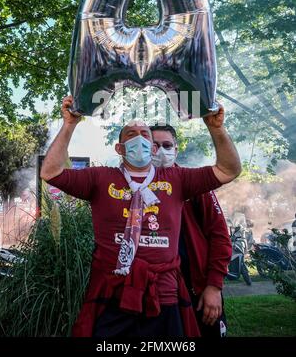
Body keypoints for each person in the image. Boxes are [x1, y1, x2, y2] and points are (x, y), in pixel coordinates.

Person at [40, 95, 241, 338]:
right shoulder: (100, 178)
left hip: (164, 295)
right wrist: (69, 124)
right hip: (112, 295)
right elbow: (50, 172)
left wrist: (216, 128)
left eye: (145, 134)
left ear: (153, 148)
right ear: (119, 148)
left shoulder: (177, 179)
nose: (139, 139)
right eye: (130, 134)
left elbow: (229, 169)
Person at [150, 124, 232, 337]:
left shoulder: (194, 184)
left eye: (167, 145)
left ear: (176, 150)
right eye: (154, 146)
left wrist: (214, 286)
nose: (160, 151)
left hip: (198, 290)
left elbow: (220, 236)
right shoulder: (137, 188)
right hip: (156, 293)